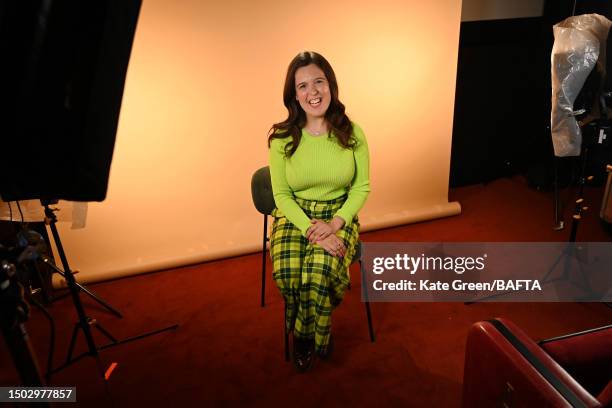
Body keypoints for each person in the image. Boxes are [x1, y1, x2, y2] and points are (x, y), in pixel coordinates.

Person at [267, 51, 370, 372]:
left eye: (319, 82)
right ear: (294, 95)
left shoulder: (352, 133)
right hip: (294, 215)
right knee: (289, 273)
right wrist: (313, 230)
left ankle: (305, 336)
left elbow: (361, 188)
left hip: (340, 212)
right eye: (302, 86)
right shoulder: (281, 138)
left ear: (331, 85)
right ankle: (314, 328)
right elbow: (282, 195)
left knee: (317, 271)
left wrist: (336, 224)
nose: (313, 92)